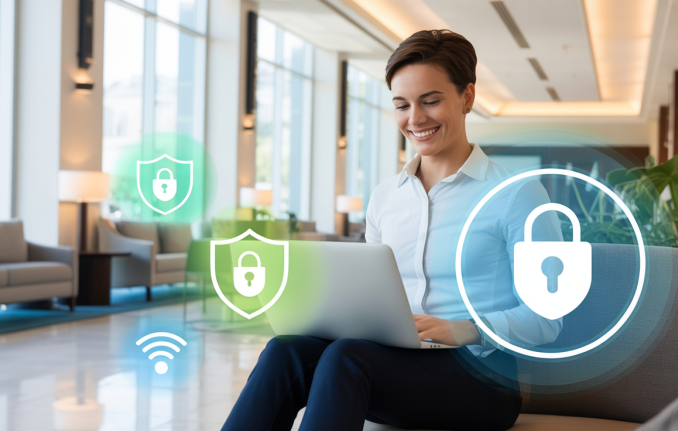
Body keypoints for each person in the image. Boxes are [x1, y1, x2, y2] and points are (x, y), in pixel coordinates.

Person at [222, 29, 562, 431]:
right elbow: (366, 296)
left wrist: (464, 328)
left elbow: (548, 319)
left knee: (347, 357)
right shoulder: (386, 197)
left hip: (482, 381)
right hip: (395, 361)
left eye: (431, 101)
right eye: (402, 105)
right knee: (286, 350)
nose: (415, 119)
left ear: (467, 97)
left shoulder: (518, 194)